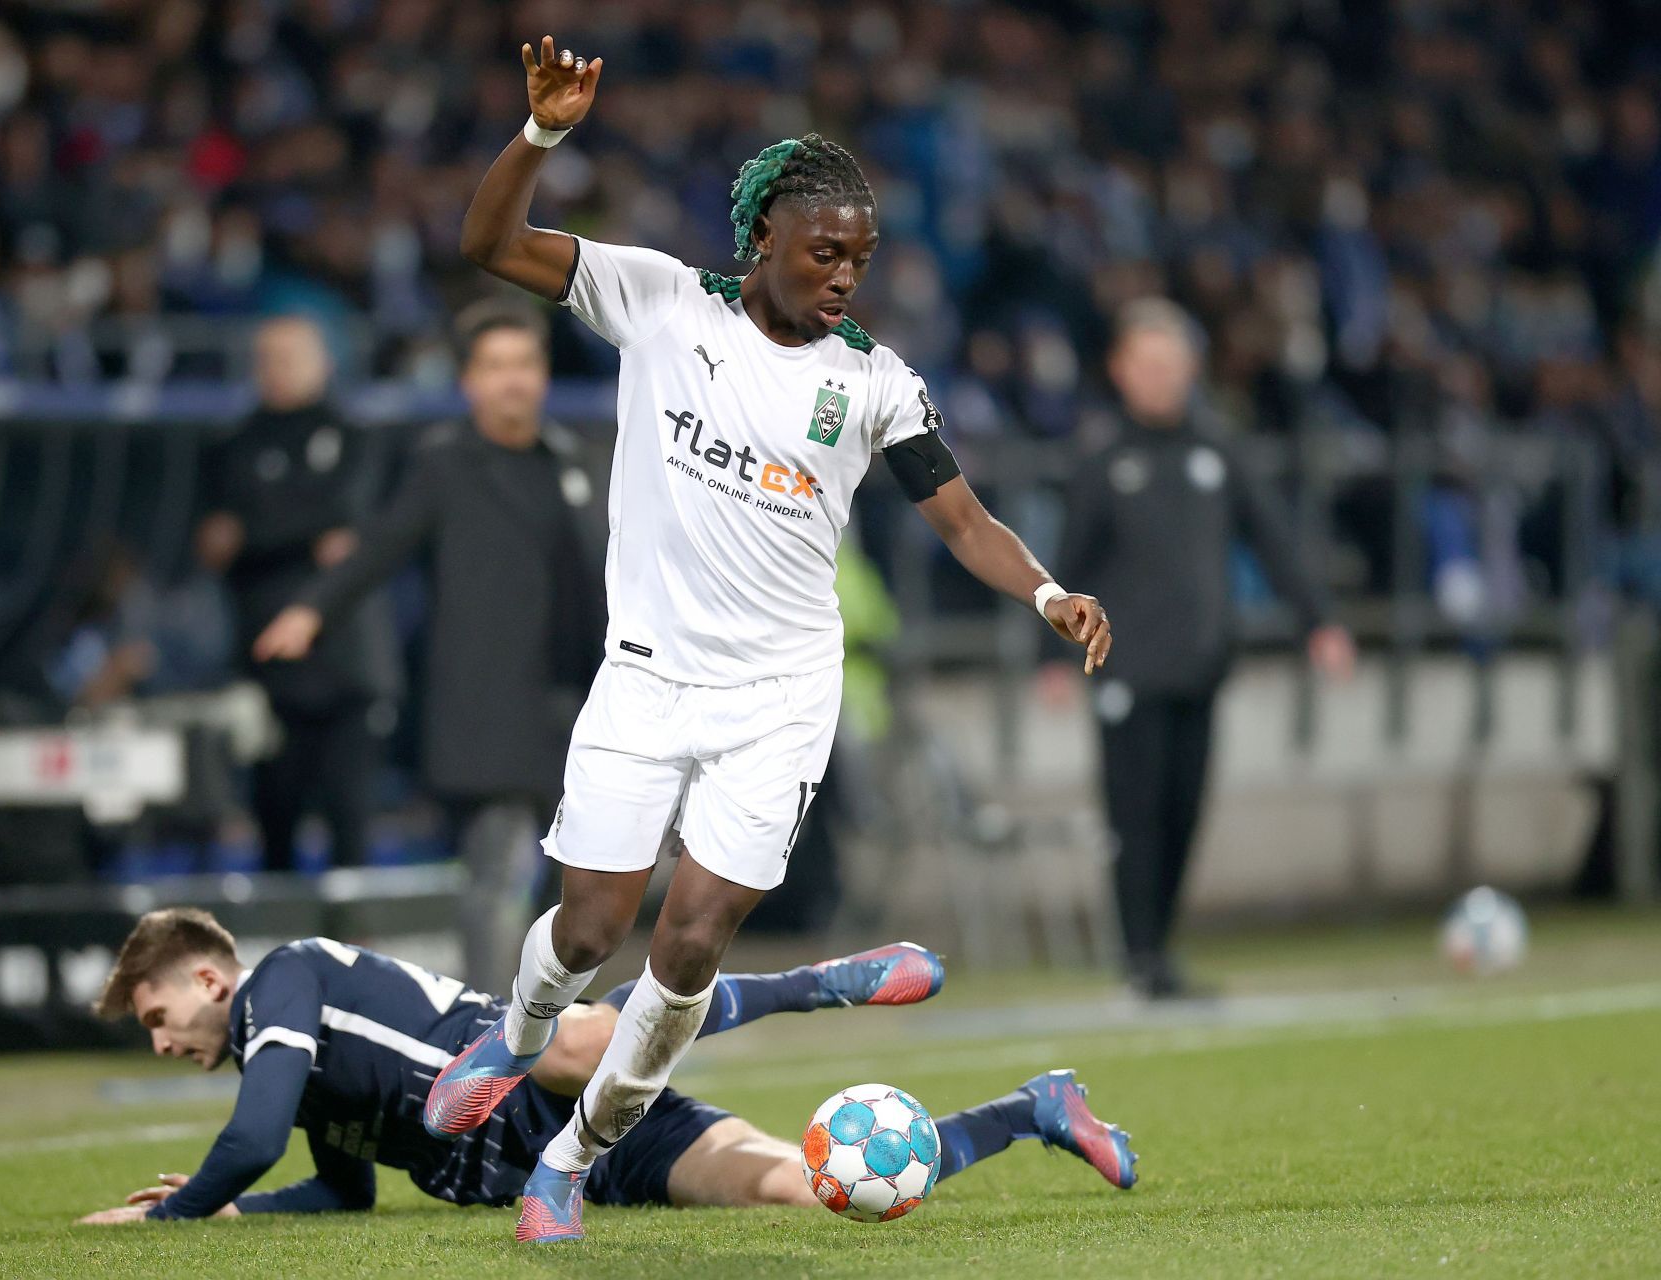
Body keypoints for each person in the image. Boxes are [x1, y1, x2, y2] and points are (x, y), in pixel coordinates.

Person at [421, 37, 1113, 1244]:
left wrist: (1048, 590)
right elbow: (486, 247)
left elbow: (959, 515)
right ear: (765, 242)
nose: (845, 273)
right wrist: (540, 138)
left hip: (782, 695)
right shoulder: (657, 298)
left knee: (688, 943)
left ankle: (572, 1161)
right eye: (823, 250)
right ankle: (517, 1032)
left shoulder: (875, 382)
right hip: (646, 674)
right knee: (588, 925)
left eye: (861, 255)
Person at [74, 908, 1136, 1226]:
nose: (162, 1041)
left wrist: (168, 1218)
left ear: (212, 978)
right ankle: (1030, 1109)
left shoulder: (286, 982)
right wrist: (237, 1215)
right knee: (816, 1179)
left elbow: (249, 1142)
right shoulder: (293, 1065)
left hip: (529, 1075)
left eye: (159, 1012)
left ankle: (809, 983)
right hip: (552, 1158)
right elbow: (340, 1186)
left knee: (573, 1036)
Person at [254, 301, 606, 990]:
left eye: (525, 365)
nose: (513, 381)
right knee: (497, 868)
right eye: (496, 366)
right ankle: (487, 1026)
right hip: (486, 705)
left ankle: (540, 1020)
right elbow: (378, 548)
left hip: (576, 705)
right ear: (469, 381)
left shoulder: (573, 464)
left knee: (580, 883)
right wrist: (311, 610)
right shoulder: (444, 468)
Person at [1055, 299, 1356, 1000]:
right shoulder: (1103, 459)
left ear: (1190, 369)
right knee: (1135, 819)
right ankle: (1139, 958)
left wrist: (1320, 621)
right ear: (1121, 370)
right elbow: (1065, 564)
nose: (1160, 378)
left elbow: (1273, 539)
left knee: (1184, 815)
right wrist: (1052, 659)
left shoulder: (1219, 450)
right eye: (1146, 364)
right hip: (1123, 670)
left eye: (1171, 364)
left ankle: (1159, 951)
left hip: (1200, 668)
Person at [195, 316, 395, 871]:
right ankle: (286, 956)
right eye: (268, 357)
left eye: (292, 356)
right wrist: (307, 535)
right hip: (266, 670)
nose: (278, 369)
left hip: (348, 666)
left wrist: (253, 533)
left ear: (324, 362)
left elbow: (349, 527)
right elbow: (213, 544)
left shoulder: (357, 439)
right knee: (273, 824)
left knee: (349, 825)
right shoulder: (229, 446)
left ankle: (352, 955)